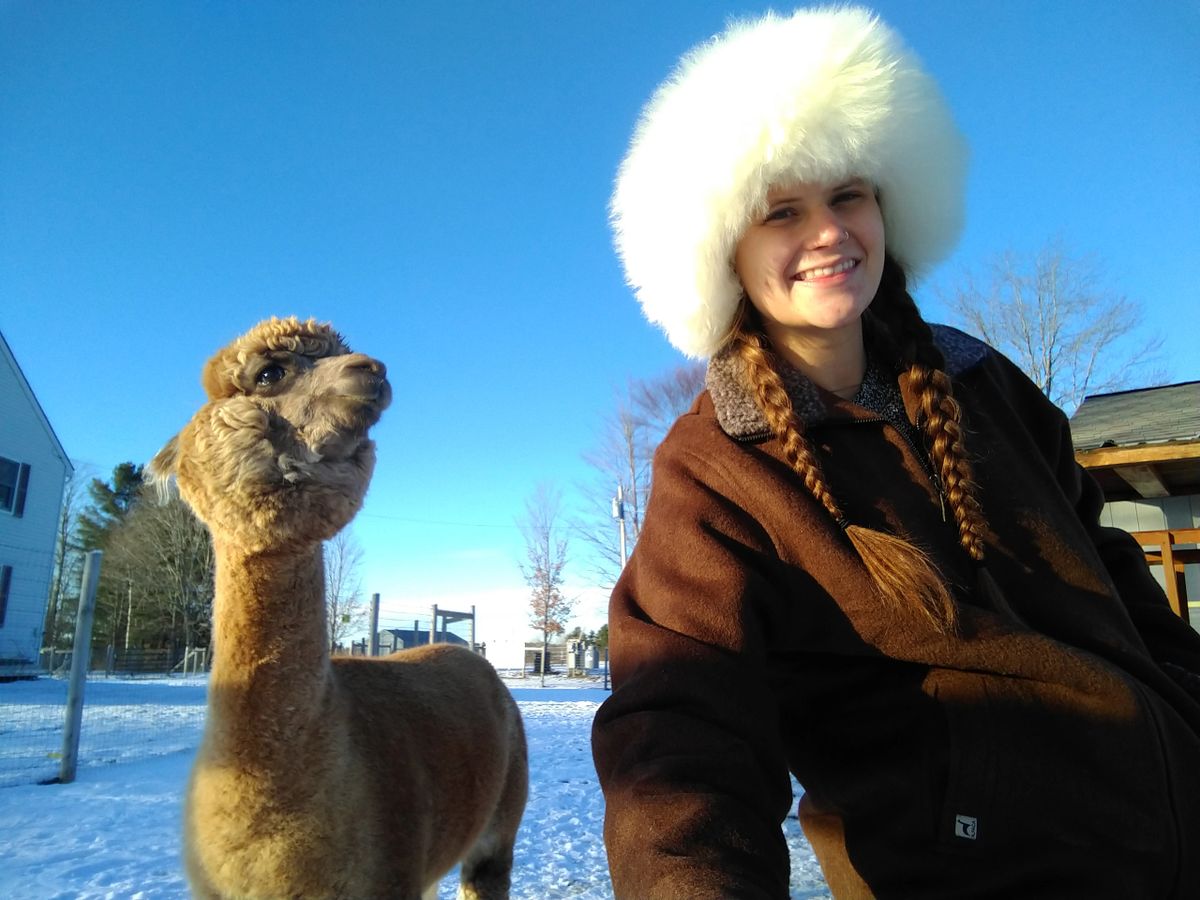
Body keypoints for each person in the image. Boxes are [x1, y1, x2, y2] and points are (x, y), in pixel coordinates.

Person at [591, 7, 1200, 898]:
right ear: (726, 252)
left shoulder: (981, 379)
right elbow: (679, 721)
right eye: (782, 212)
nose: (830, 232)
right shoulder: (718, 467)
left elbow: (1108, 563)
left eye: (849, 196)